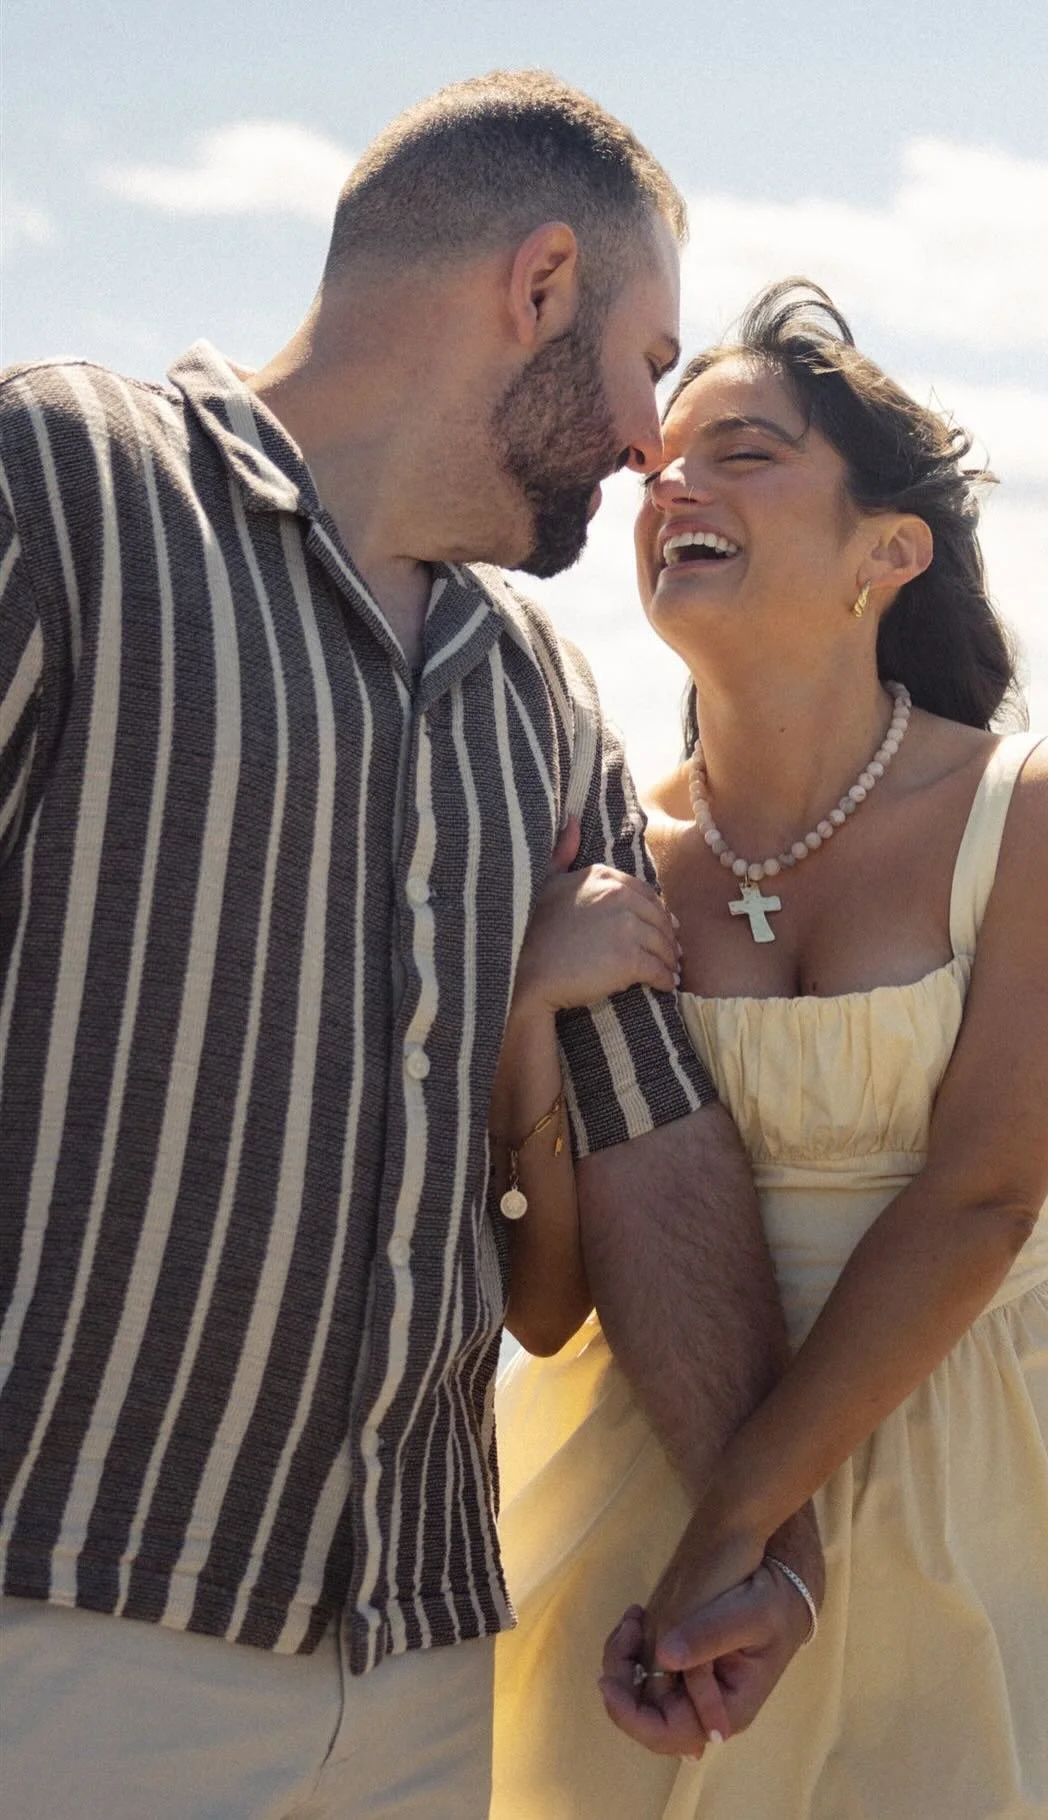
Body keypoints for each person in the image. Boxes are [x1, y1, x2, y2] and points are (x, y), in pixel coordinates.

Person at [0, 76, 820, 1820]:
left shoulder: (545, 697)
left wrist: (758, 1534)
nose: (649, 439)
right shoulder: (65, 482)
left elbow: (653, 1145)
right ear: (536, 287)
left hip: (427, 1664)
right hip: (61, 1625)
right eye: (648, 362)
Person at [490, 280, 1048, 1818]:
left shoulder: (1045, 815)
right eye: (663, 462)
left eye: (748, 454)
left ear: (887, 553)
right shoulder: (597, 853)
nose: (671, 483)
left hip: (970, 1500)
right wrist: (527, 1010)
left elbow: (978, 1203)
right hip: (629, 1506)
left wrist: (743, 1536)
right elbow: (547, 1300)